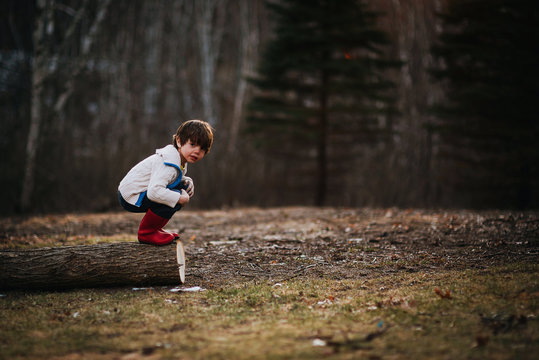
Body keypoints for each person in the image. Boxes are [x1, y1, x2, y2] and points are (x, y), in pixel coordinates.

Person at [118, 119, 213, 245]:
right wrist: (180, 198)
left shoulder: (178, 160)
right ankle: (147, 233)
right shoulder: (169, 163)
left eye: (202, 148)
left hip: (139, 192)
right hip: (132, 196)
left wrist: (186, 181)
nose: (197, 151)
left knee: (179, 189)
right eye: (193, 144)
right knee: (174, 199)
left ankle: (154, 229)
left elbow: (171, 178)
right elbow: (154, 192)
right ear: (179, 141)